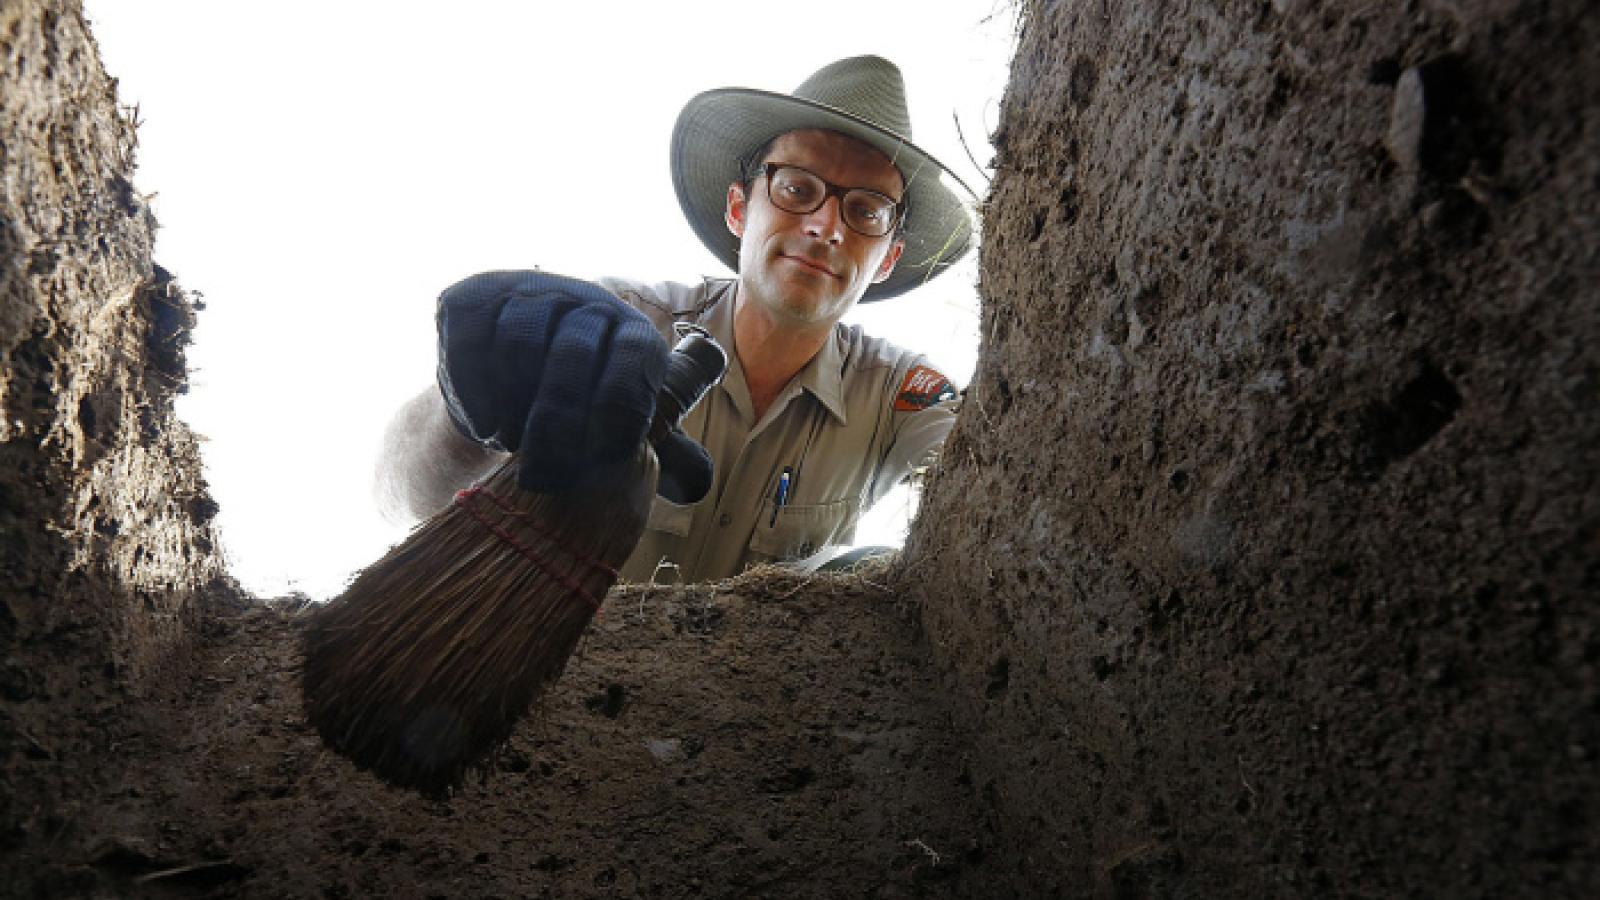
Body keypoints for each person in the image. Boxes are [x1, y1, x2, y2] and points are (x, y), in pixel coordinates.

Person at [375, 55, 976, 582]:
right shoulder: (617, 325)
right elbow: (402, 502)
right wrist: (462, 414)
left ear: (887, 259)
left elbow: (992, 479)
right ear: (740, 209)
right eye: (796, 188)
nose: (827, 225)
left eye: (867, 211)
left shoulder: (903, 398)